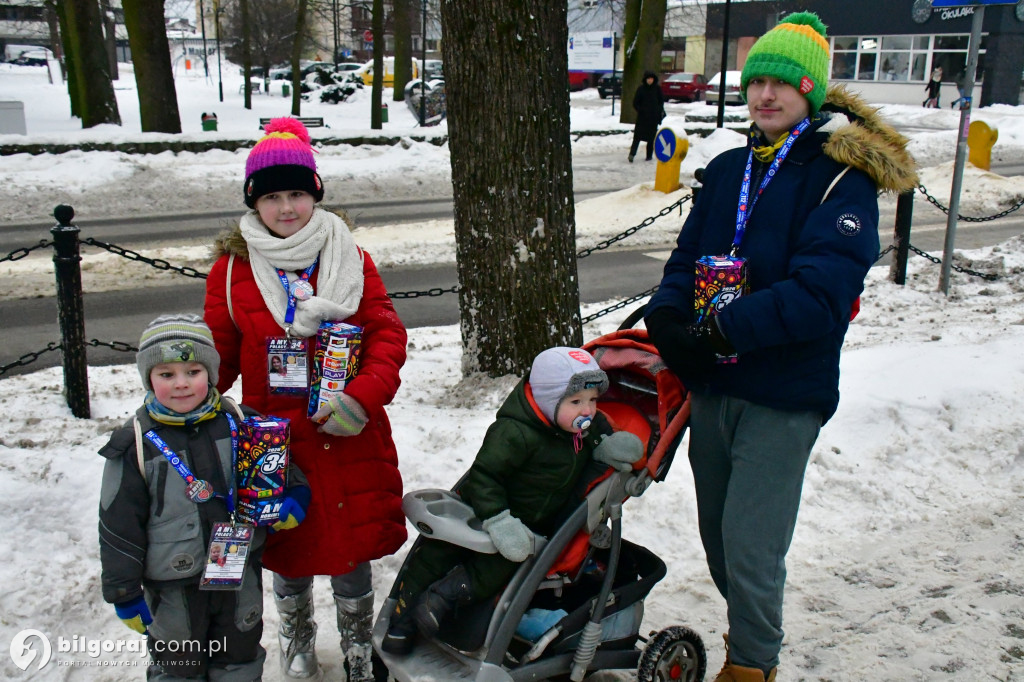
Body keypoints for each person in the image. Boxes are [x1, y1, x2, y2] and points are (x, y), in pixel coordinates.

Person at [643, 12, 917, 682]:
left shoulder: (840, 177)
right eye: (757, 80)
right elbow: (686, 259)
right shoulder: (731, 166)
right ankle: (750, 633)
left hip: (783, 392)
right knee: (718, 539)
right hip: (714, 384)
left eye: (784, 83)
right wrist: (668, 318)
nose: (766, 94)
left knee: (751, 542)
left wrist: (722, 330)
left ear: (811, 91)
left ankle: (751, 665)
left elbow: (820, 292)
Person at [204, 117, 409, 681]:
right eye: (272, 196)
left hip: (346, 432)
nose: (287, 207)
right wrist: (183, 393)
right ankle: (296, 638)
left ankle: (357, 645)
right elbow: (217, 357)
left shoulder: (350, 258)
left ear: (315, 193)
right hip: (274, 442)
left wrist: (362, 398)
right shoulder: (232, 270)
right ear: (254, 202)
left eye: (297, 193)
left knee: (350, 552)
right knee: (286, 551)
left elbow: (386, 335)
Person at [380, 347, 643, 655]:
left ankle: (447, 594)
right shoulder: (513, 432)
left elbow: (597, 433)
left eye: (593, 400)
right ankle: (403, 619)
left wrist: (607, 445)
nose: (587, 410)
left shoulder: (578, 427)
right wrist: (498, 519)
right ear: (548, 400)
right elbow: (484, 477)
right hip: (489, 511)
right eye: (576, 402)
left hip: (528, 526)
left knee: (500, 565)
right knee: (437, 553)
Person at [98, 314, 311, 681]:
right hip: (172, 589)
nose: (181, 384)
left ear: (210, 373)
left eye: (193, 371)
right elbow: (118, 525)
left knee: (241, 657)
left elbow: (280, 464)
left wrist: (294, 495)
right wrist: (123, 590)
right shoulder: (135, 443)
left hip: (237, 576)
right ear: (149, 378)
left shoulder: (240, 421)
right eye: (166, 375)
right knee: (179, 666)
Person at [628, 70, 665, 162]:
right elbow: (635, 102)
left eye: (651, 79)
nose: (650, 80)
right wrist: (641, 110)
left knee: (651, 138)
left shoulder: (657, 89)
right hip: (642, 118)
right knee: (637, 137)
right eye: (648, 78)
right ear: (645, 79)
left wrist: (658, 111)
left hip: (653, 118)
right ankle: (632, 154)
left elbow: (661, 101)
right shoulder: (641, 89)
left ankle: (649, 155)